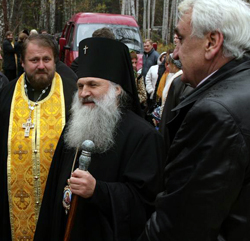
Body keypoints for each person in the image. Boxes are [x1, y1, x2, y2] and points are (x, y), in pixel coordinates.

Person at [138, 0, 250, 240]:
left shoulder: (215, 114)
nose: (175, 53)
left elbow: (178, 227)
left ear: (211, 42)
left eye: (182, 39)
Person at [34, 37, 164, 241]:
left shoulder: (144, 137)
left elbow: (146, 204)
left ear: (117, 89)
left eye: (93, 85)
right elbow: (53, 191)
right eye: (80, 86)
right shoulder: (73, 127)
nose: (84, 93)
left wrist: (98, 191)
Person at [0, 34, 77, 240]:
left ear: (55, 60)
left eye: (46, 59)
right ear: (23, 63)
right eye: (34, 60)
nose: (41, 66)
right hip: (13, 204)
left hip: (56, 203)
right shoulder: (6, 96)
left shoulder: (72, 95)